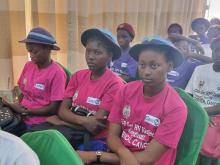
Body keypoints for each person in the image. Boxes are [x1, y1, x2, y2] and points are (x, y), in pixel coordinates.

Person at [77, 36, 187, 165]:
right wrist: (123, 152)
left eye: (154, 66)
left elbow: (148, 158)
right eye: (142, 65)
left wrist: (96, 156)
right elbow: (112, 136)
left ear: (169, 67)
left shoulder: (176, 107)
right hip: (120, 154)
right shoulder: (126, 90)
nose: (146, 72)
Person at [30, 28, 123, 150]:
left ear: (110, 55)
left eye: (97, 52)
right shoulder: (77, 76)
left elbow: (96, 126)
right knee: (34, 139)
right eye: (88, 51)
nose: (90, 57)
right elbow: (62, 111)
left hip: (95, 140)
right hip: (70, 132)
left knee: (52, 149)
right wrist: (83, 121)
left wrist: (61, 121)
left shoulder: (114, 84)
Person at [2, 27, 66, 132]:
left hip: (40, 123)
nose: (31, 55)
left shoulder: (57, 73)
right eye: (29, 51)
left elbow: (54, 108)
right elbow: (23, 93)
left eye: (34, 52)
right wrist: (15, 104)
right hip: (20, 116)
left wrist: (27, 111)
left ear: (47, 49)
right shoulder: (28, 66)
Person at [185, 35, 220, 159]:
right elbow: (188, 94)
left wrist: (202, 114)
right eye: (216, 50)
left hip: (215, 116)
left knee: (203, 140)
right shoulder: (200, 69)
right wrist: (198, 113)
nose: (219, 54)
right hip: (194, 111)